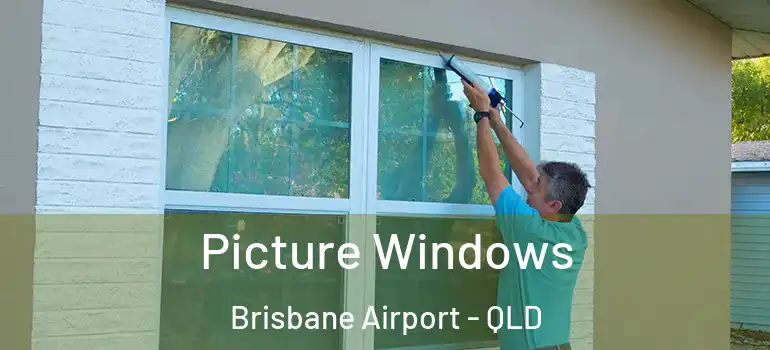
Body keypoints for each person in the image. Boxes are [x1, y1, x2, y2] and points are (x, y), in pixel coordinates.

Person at [462, 80, 591, 350]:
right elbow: (530, 173)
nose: (528, 188)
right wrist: (497, 122)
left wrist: (482, 115)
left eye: (536, 188)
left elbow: (492, 175)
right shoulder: (574, 230)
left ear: (554, 205)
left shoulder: (530, 230)